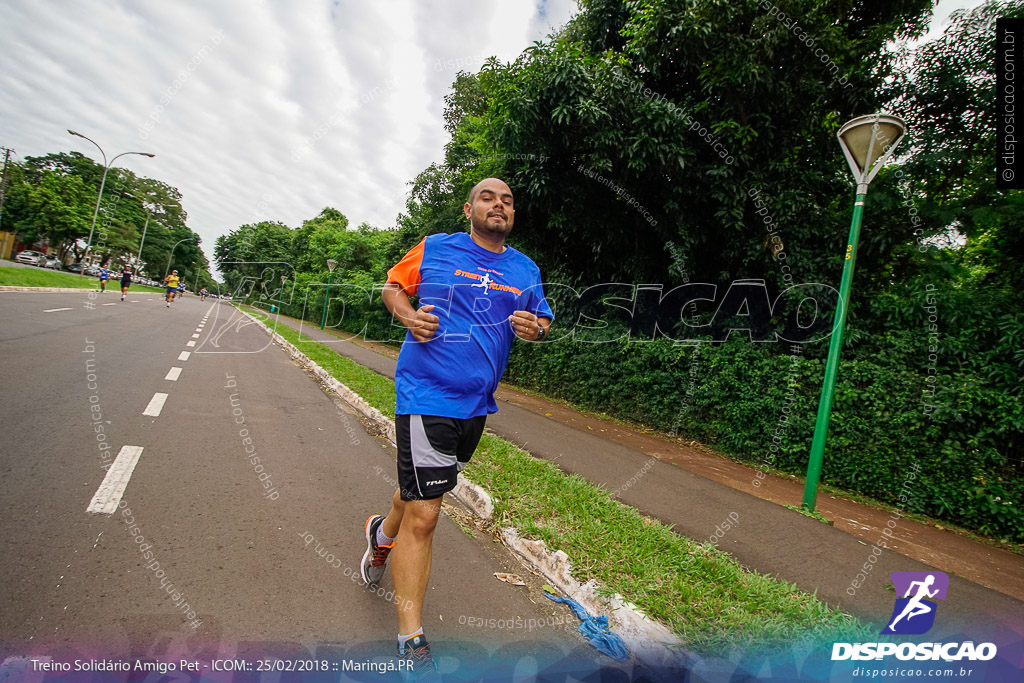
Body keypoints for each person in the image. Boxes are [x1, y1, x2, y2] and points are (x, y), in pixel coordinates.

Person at [360, 178, 553, 674]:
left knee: (417, 493)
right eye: (489, 198)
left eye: (508, 200)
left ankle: (381, 535)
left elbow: (541, 320)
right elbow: (392, 288)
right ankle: (411, 637)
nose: (499, 205)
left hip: (476, 405)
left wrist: (536, 329)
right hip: (426, 392)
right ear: (469, 208)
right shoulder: (436, 248)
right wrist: (407, 316)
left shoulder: (524, 268)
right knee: (427, 513)